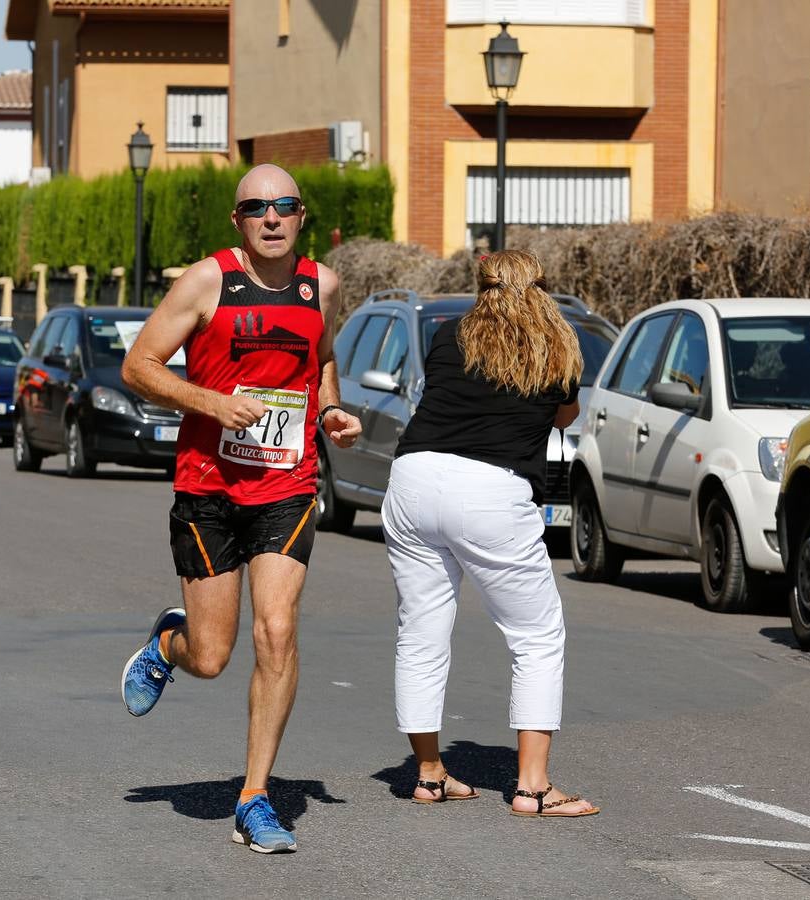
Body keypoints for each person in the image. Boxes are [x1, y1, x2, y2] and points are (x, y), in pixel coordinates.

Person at [119, 164, 362, 854]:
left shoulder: (324, 286)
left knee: (277, 631)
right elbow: (139, 365)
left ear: (302, 214)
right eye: (257, 207)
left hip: (287, 485)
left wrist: (334, 410)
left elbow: (320, 363)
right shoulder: (207, 281)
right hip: (209, 490)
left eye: (285, 205)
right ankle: (171, 643)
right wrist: (213, 402)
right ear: (239, 221)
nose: (272, 217)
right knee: (213, 655)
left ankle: (255, 797)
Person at [382, 249, 598, 817]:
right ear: (541, 286)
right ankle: (532, 788)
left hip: (414, 476)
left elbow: (451, 396)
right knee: (536, 636)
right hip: (491, 491)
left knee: (422, 629)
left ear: (481, 287)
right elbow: (565, 415)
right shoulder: (559, 347)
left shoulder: (448, 335)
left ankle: (429, 773)